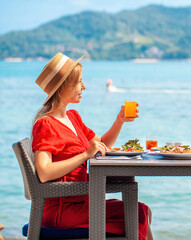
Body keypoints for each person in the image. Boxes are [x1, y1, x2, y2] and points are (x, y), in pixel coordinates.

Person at [31, 52, 153, 240]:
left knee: (142, 211)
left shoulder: (73, 117)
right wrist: (84, 155)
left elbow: (101, 144)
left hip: (84, 201)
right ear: (64, 86)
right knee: (137, 213)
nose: (84, 87)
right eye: (80, 81)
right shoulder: (46, 124)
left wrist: (119, 121)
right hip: (64, 211)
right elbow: (44, 172)